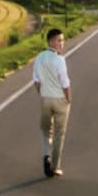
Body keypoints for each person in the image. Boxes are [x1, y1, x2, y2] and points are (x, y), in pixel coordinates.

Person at [32, 28, 71, 177]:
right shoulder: (59, 59)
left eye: (62, 40)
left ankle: (46, 155)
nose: (61, 43)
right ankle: (55, 166)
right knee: (59, 134)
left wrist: (42, 94)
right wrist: (68, 99)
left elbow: (35, 81)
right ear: (50, 42)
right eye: (58, 40)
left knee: (46, 130)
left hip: (45, 99)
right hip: (60, 100)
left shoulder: (39, 57)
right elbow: (65, 82)